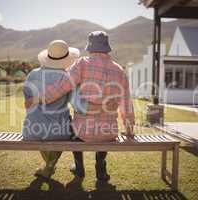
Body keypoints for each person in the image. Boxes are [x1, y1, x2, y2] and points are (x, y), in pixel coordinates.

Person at [36, 31, 135, 181]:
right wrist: (129, 129)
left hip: (82, 132)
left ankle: (79, 167)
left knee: (73, 126)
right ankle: (100, 167)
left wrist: (42, 98)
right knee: (104, 126)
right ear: (107, 48)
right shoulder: (119, 70)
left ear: (90, 47)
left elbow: (62, 86)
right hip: (109, 133)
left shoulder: (82, 64)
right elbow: (126, 103)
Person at [22, 40, 80, 179]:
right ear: (67, 59)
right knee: (64, 128)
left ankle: (49, 166)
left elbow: (27, 103)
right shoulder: (67, 77)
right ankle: (49, 166)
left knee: (40, 127)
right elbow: (75, 104)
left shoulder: (33, 74)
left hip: (31, 130)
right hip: (59, 131)